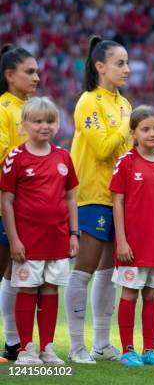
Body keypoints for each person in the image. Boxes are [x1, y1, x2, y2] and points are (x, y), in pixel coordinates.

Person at [65, 36, 131, 364]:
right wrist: (126, 127)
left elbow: (127, 154)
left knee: (108, 272)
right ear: (100, 66)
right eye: (120, 63)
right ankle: (77, 345)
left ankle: (101, 343)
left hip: (118, 198)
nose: (127, 69)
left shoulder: (125, 104)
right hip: (92, 194)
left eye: (127, 63)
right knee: (85, 270)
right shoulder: (89, 102)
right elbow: (105, 148)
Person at [0, 97, 79, 365]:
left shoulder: (63, 157)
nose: (44, 126)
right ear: (24, 125)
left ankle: (47, 347)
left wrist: (73, 233)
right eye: (37, 121)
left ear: (57, 124)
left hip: (57, 239)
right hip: (28, 241)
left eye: (50, 121)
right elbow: (7, 201)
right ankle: (25, 349)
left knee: (50, 290)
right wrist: (14, 239)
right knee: (27, 289)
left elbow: (70, 198)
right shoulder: (16, 158)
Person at [109, 106, 154, 367]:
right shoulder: (126, 162)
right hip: (134, 243)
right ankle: (128, 350)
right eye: (145, 129)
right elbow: (117, 202)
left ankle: (149, 350)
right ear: (133, 134)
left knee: (152, 294)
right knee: (130, 293)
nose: (152, 134)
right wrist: (123, 240)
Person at [0, 44, 39, 362]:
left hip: (25, 208)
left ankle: (13, 344)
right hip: (5, 204)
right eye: (29, 71)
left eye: (37, 71)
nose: (36, 77)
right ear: (10, 76)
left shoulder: (30, 109)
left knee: (15, 273)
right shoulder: (3, 108)